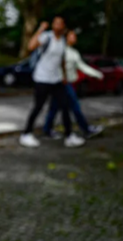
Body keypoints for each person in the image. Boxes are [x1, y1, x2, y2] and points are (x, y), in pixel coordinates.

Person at [19, 16, 85, 148]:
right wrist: (41, 28)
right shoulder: (46, 36)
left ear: (63, 27)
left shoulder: (62, 41)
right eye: (55, 23)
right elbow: (31, 46)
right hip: (42, 78)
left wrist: (64, 76)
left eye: (60, 24)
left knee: (65, 106)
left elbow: (61, 60)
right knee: (38, 106)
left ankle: (69, 136)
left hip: (56, 79)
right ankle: (26, 134)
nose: (57, 26)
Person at [44, 30, 105, 139]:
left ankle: (47, 130)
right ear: (66, 37)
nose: (74, 38)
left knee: (54, 108)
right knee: (75, 107)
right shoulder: (59, 50)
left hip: (67, 84)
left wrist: (96, 74)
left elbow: (82, 66)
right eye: (72, 36)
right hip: (62, 84)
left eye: (75, 36)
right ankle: (85, 130)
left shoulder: (73, 52)